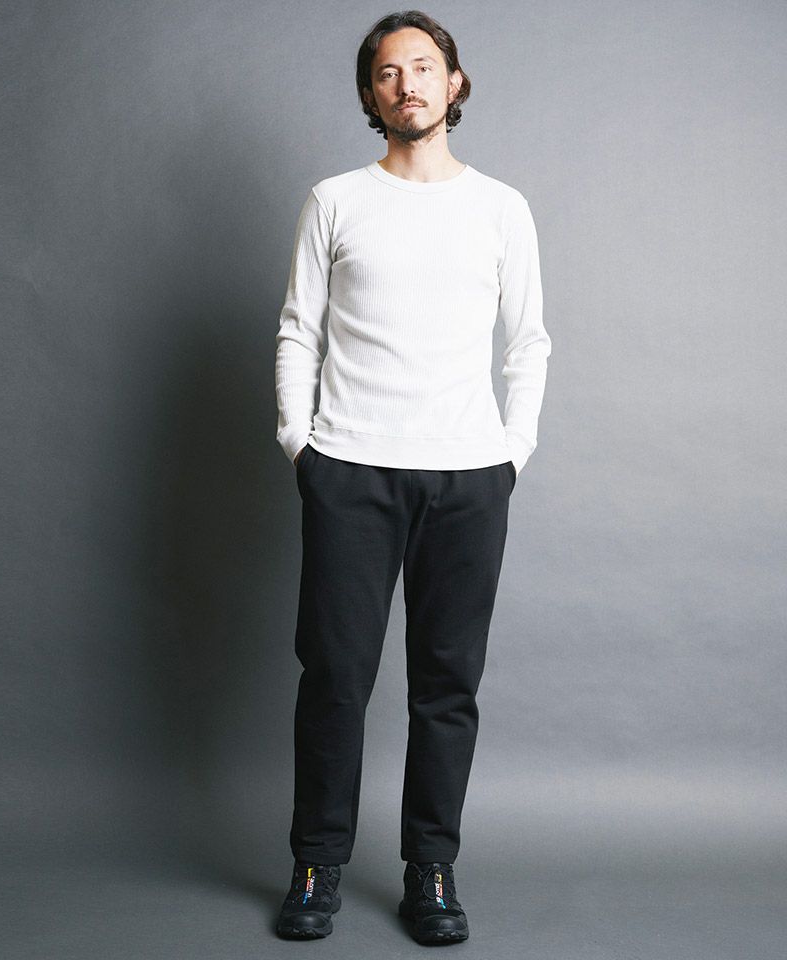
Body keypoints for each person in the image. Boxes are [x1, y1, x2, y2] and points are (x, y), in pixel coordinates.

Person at [273, 9, 552, 945]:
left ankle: (431, 869)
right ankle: (317, 865)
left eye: (424, 67)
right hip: (350, 470)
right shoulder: (335, 200)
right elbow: (299, 331)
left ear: (455, 83)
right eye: (389, 73)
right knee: (335, 677)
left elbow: (529, 341)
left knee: (447, 685)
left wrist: (511, 454)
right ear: (370, 94)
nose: (408, 84)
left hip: (468, 478)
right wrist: (301, 446)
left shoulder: (502, 208)